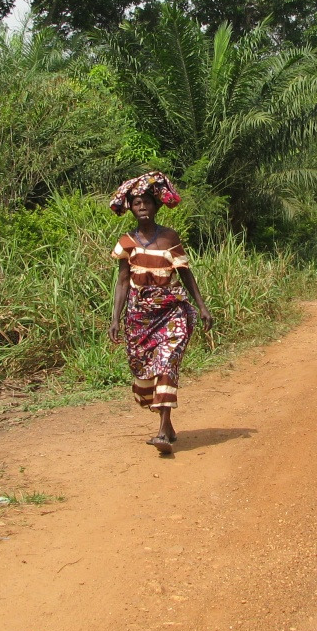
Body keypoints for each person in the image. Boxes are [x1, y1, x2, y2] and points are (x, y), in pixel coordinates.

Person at [108, 172, 212, 454]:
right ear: (130, 207)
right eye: (136, 202)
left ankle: (163, 431)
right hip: (139, 317)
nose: (141, 206)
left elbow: (185, 273)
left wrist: (201, 307)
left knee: (166, 364)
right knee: (142, 374)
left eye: (146, 202)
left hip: (172, 312)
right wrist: (115, 318)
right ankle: (166, 423)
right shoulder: (126, 242)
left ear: (156, 206)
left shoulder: (169, 238)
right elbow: (121, 282)